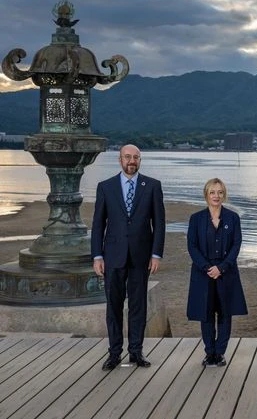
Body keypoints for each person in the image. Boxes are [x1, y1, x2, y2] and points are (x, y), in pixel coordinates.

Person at [91, 144, 166, 371]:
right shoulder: (106, 187)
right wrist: (97, 256)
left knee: (138, 306)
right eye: (127, 157)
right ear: (120, 159)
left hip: (141, 256)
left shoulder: (152, 186)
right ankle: (114, 354)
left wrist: (156, 254)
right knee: (113, 307)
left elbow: (159, 223)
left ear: (140, 160)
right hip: (112, 256)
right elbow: (98, 224)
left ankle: (136, 352)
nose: (131, 161)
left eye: (135, 157)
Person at [186, 178, 248, 367]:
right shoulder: (196, 219)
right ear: (206, 194)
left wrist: (221, 267)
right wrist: (207, 268)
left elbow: (236, 245)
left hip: (226, 272)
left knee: (224, 314)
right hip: (202, 273)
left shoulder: (232, 218)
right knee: (206, 314)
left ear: (224, 195)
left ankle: (220, 353)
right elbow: (192, 246)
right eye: (212, 192)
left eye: (220, 192)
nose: (216, 196)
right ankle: (209, 353)